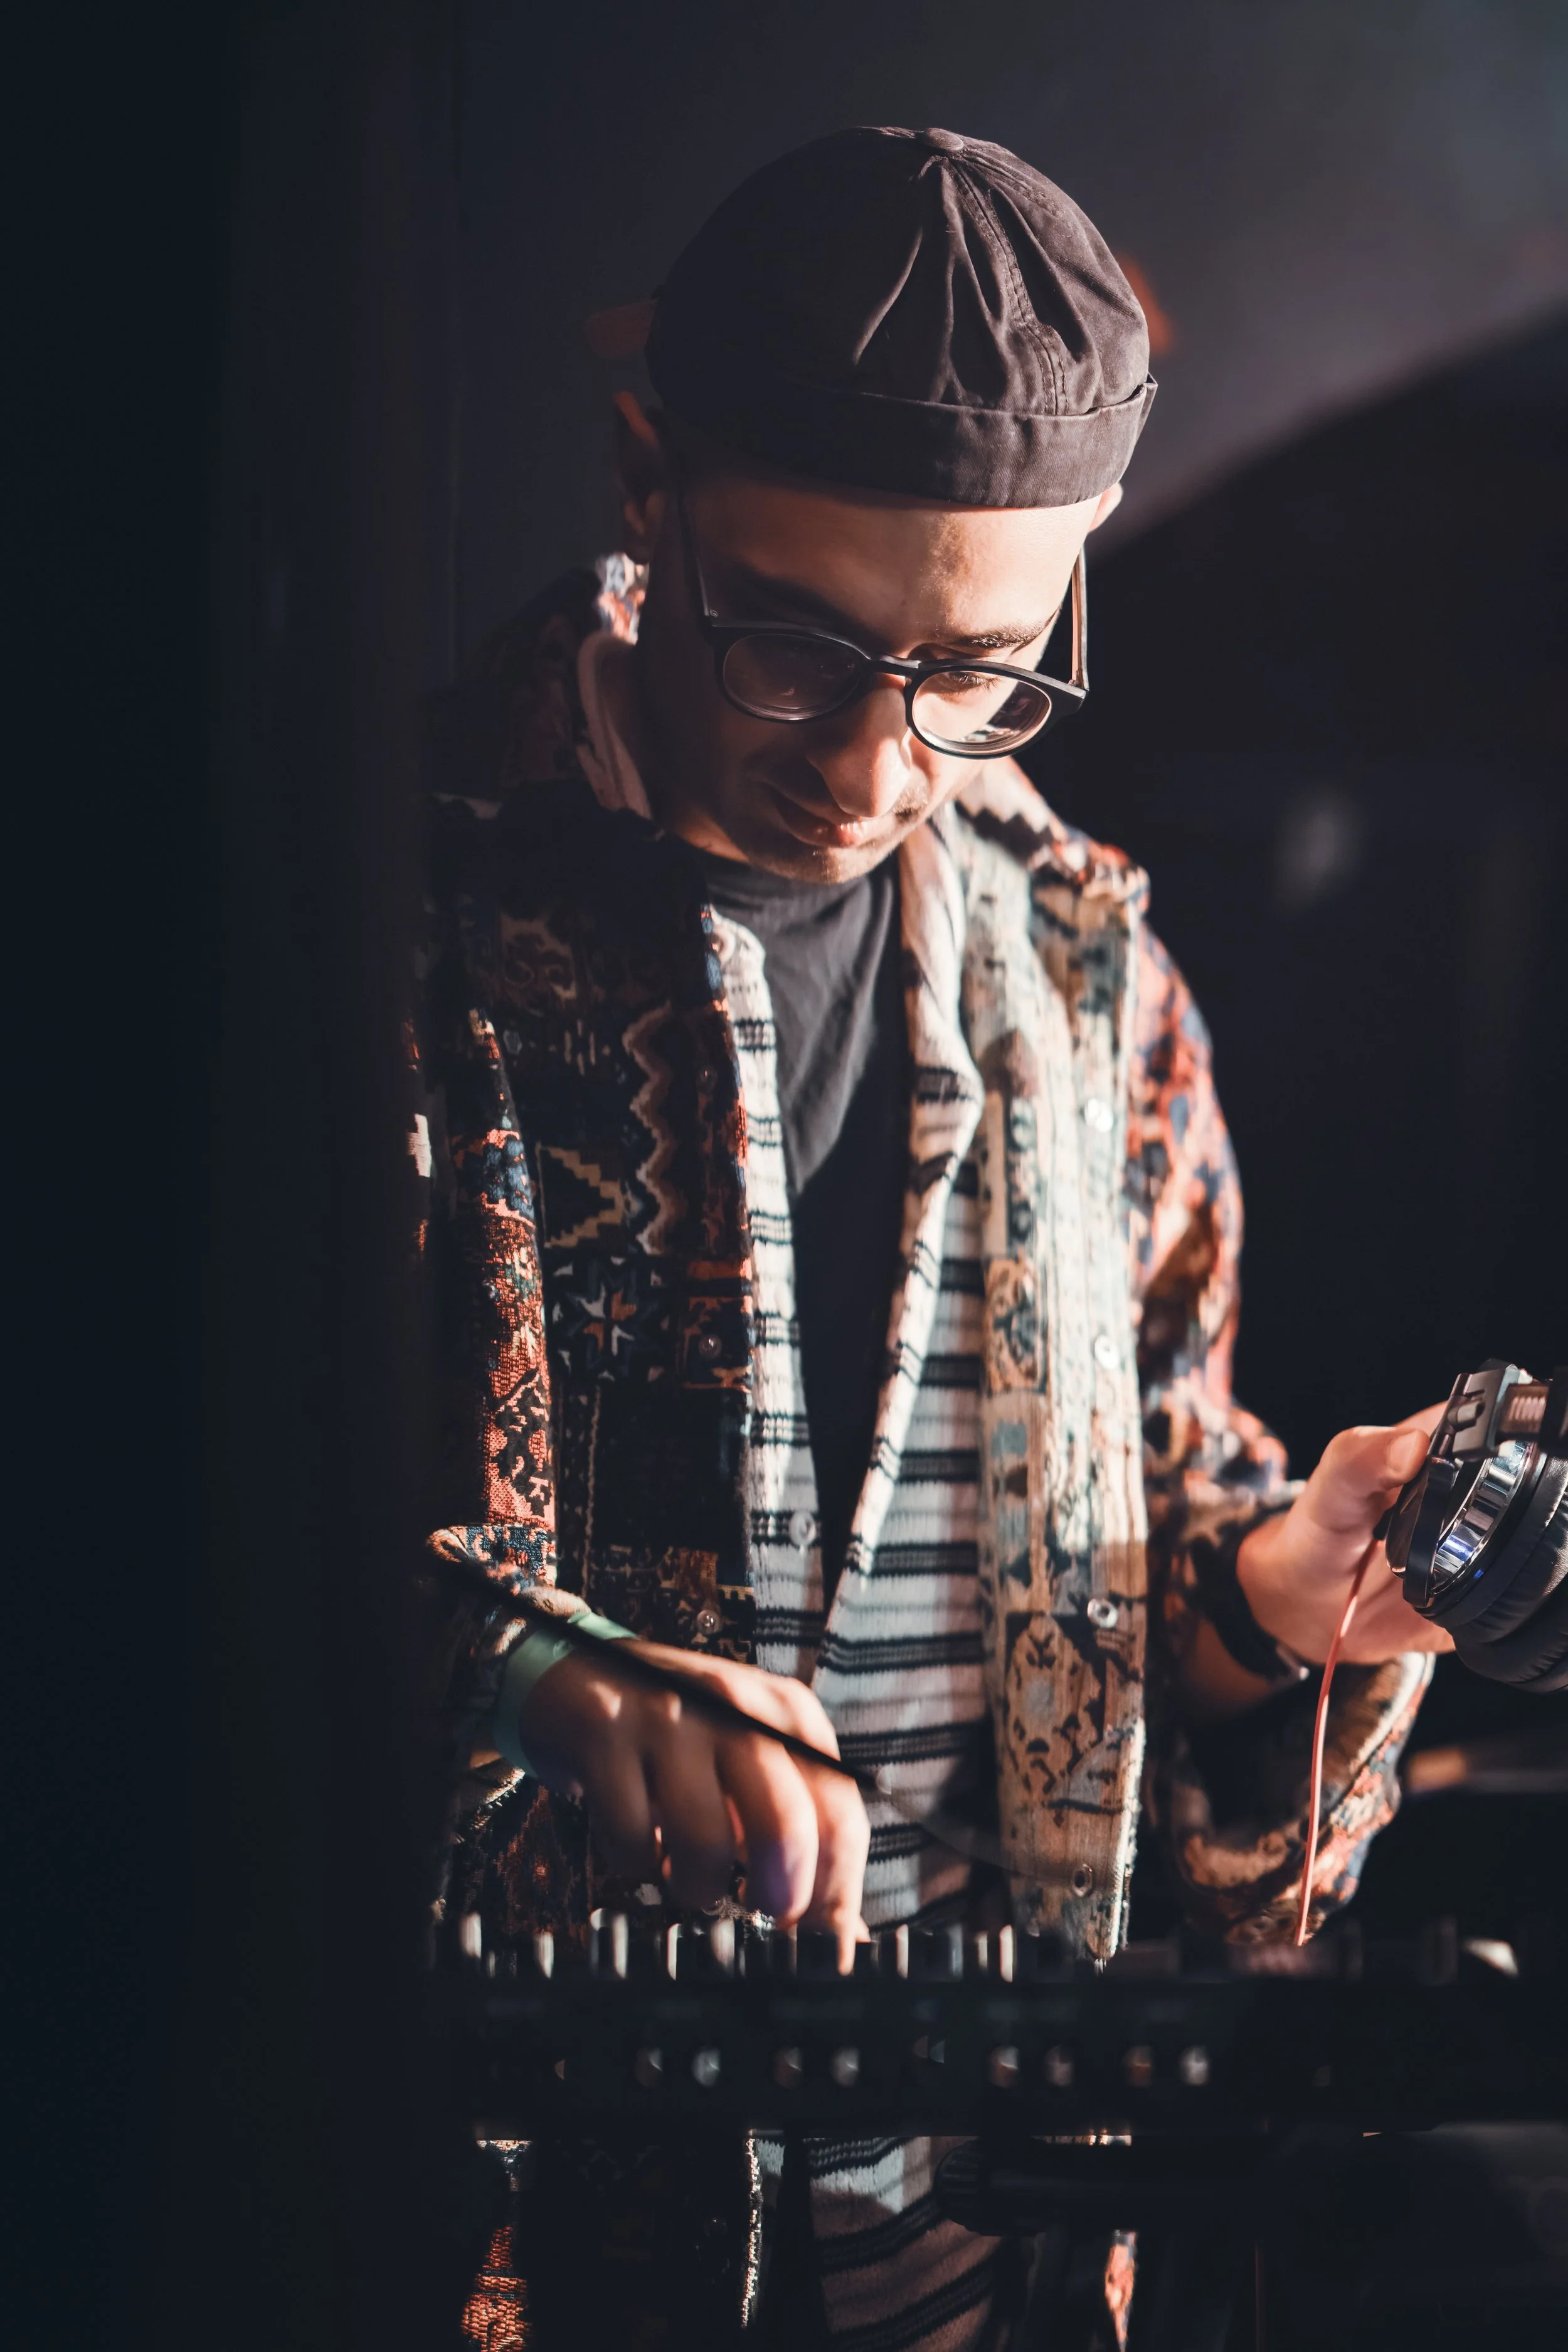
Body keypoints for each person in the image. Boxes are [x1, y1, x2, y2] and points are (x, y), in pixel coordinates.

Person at [415, 125, 1450, 2351]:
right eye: (795, 643)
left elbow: (1153, 1620)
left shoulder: (1091, 984)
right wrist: (524, 1676)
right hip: (498, 2259)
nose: (883, 759)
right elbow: (151, 1586)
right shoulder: (391, 917)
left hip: (977, 2268)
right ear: (638, 477)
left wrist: (1284, 1598)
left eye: (977, 668)